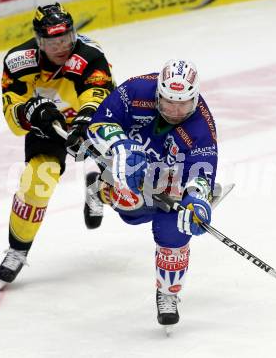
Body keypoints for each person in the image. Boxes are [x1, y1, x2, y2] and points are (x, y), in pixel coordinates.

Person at [84, 59, 218, 328]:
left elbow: (202, 173)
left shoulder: (201, 127)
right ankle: (100, 189)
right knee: (131, 208)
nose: (175, 111)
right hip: (128, 162)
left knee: (176, 228)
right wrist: (120, 145)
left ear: (195, 99)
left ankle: (169, 293)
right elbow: (97, 124)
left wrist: (197, 199)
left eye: (183, 104)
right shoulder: (136, 90)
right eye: (169, 102)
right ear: (157, 94)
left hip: (171, 176)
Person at [0, 2, 115, 287]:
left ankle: (98, 190)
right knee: (38, 180)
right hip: (46, 125)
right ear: (39, 41)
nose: (62, 46)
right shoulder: (18, 62)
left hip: (91, 119)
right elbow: (13, 119)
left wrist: (85, 120)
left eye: (66, 38)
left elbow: (99, 92)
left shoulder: (90, 54)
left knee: (122, 178)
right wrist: (29, 112)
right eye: (53, 42)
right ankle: (17, 249)